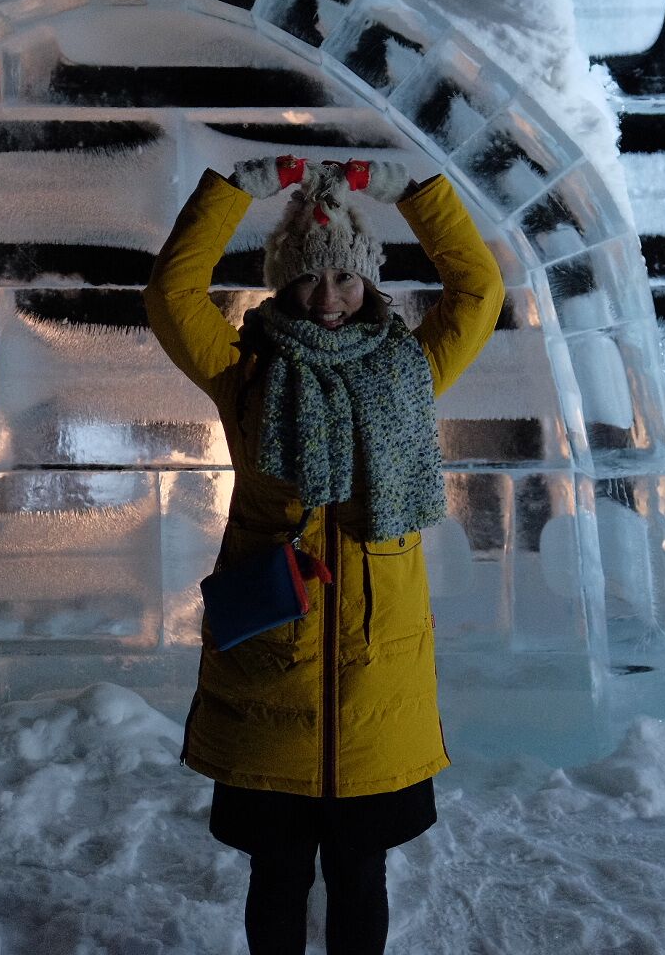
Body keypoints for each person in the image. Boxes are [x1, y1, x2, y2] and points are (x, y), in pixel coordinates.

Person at [144, 153, 503, 954]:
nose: (328, 300)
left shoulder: (411, 367)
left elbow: (479, 290)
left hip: (378, 679)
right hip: (276, 663)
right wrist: (234, 190)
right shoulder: (247, 373)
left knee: (361, 873)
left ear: (368, 281)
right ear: (280, 285)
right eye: (308, 279)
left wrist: (416, 192)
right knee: (275, 875)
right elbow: (171, 294)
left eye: (344, 278)